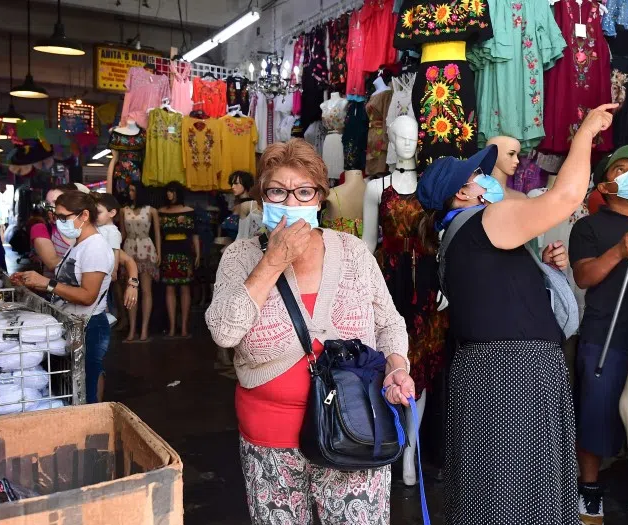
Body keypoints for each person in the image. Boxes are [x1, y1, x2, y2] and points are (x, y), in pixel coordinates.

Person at [417, 104, 618, 525]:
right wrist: (582, 135)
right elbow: (564, 197)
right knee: (520, 497)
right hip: (514, 375)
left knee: (493, 495)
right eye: (480, 176)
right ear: (463, 192)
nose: (490, 181)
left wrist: (539, 268)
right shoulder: (484, 221)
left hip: (494, 373)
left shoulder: (460, 235)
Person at [204, 139, 414, 524]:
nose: (290, 202)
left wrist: (397, 366)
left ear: (319, 198)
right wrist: (272, 262)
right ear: (262, 197)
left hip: (355, 429)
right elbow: (223, 331)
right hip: (270, 439)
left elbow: (389, 323)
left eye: (303, 192)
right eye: (277, 191)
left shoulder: (352, 252)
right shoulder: (240, 257)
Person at [568, 144, 628, 523]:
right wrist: (619, 251)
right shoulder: (588, 227)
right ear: (605, 184)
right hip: (604, 334)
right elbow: (584, 277)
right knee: (597, 413)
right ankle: (589, 490)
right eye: (620, 169)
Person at [12, 190, 115, 404]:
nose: (57, 222)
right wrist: (33, 281)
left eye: (62, 217)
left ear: (84, 215)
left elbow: (87, 296)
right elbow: (65, 284)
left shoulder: (95, 248)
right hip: (73, 325)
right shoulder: (77, 245)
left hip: (89, 327)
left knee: (85, 394)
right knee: (71, 390)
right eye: (55, 216)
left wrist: (47, 284)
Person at [121, 183, 161, 342]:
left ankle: (144, 329)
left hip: (147, 249)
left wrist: (159, 252)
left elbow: (157, 233)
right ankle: (132, 329)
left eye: (132, 190)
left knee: (146, 291)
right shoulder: (123, 210)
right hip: (129, 250)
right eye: (129, 190)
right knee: (131, 290)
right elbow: (122, 234)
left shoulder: (151, 211)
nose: (130, 192)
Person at [159, 181, 199, 338]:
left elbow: (194, 234)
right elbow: (158, 235)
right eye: (168, 192)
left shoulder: (189, 211)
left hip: (184, 250)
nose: (169, 195)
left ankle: (183, 327)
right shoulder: (160, 212)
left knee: (184, 288)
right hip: (167, 250)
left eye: (173, 192)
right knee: (169, 288)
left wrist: (197, 254)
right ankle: (172, 327)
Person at [95, 192, 140, 319]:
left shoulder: (113, 231)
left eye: (98, 212)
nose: (94, 216)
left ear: (112, 213)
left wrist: (114, 270)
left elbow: (116, 251)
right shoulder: (98, 227)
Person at [30, 183, 91, 274]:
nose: (50, 209)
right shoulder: (41, 229)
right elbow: (52, 263)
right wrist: (93, 264)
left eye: (56, 203)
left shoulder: (88, 228)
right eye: (48, 203)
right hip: (54, 287)